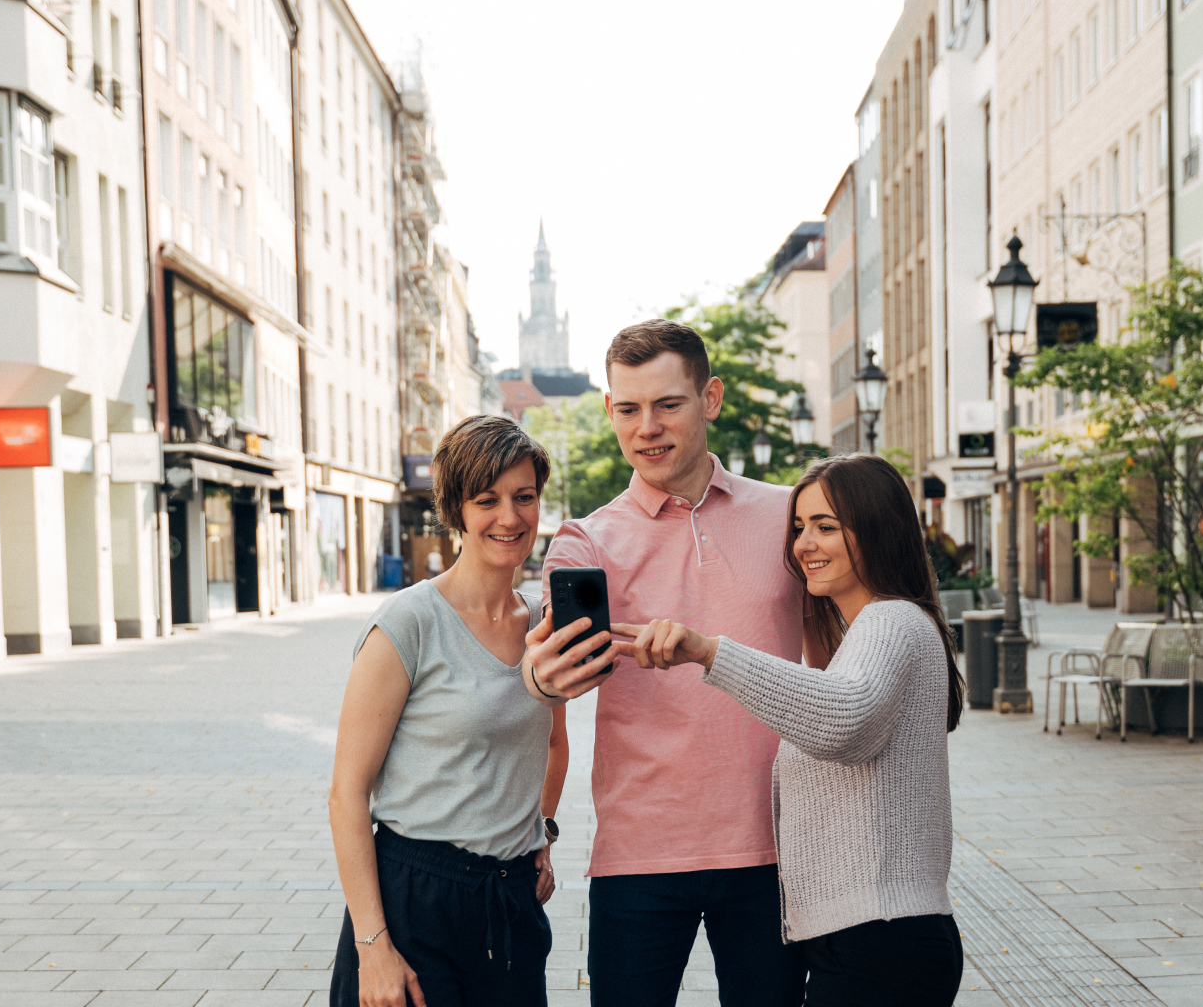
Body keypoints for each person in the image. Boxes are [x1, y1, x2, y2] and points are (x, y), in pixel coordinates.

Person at [612, 455, 965, 1007]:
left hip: (882, 942)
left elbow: (841, 720)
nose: (804, 545)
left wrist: (708, 652)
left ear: (877, 528)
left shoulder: (890, 620)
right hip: (865, 940)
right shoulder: (867, 632)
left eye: (826, 526)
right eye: (799, 528)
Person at [525, 319, 808, 1007]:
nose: (646, 427)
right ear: (610, 412)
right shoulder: (584, 539)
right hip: (639, 851)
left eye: (667, 405)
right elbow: (543, 666)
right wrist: (546, 672)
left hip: (774, 847)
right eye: (628, 409)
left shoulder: (788, 516)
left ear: (709, 398)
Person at [328, 415, 617, 1007]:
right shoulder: (408, 623)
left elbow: (555, 741)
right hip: (415, 899)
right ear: (455, 510)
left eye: (524, 497)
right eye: (487, 500)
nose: (510, 517)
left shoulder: (544, 621)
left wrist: (543, 830)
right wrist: (373, 946)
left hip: (508, 904)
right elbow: (347, 794)